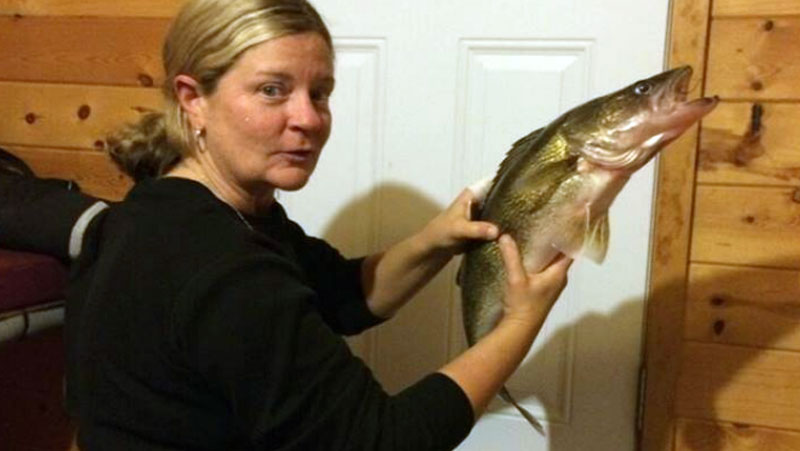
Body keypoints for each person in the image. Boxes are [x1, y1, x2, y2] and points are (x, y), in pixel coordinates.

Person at [0, 0, 572, 449]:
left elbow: (340, 295)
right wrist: (520, 323)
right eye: (273, 90)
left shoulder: (198, 209)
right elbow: (383, 441)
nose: (309, 119)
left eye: (319, 92)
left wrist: (434, 242)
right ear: (193, 98)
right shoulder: (217, 263)